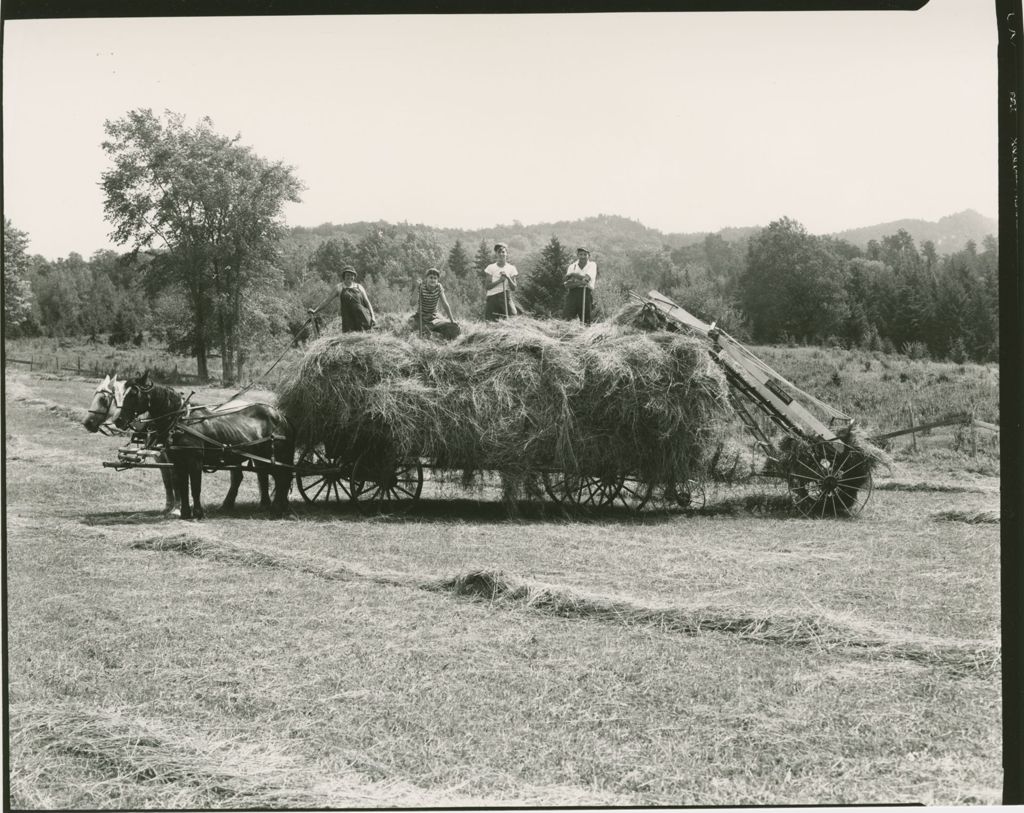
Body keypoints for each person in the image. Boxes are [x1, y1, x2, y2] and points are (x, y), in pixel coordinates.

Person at [308, 266, 376, 333]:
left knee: (365, 338)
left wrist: (373, 317)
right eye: (347, 275)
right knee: (349, 340)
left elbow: (367, 302)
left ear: (354, 276)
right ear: (344, 276)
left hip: (362, 318)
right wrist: (315, 310)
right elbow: (327, 301)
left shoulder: (359, 287)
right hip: (348, 320)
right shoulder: (339, 287)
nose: (350, 277)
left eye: (352, 275)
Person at [409, 267, 460, 339]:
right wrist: (416, 287)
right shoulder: (421, 287)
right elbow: (412, 303)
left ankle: (433, 331)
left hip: (434, 317)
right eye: (431, 277)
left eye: (435, 278)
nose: (433, 280)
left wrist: (452, 320)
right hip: (421, 317)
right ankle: (427, 331)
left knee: (454, 328)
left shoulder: (439, 287)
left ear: (437, 280)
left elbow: (445, 304)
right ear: (426, 278)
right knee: (411, 328)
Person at [480, 242, 519, 321]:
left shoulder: (511, 268)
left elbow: (514, 288)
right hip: (492, 297)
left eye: (503, 252)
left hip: (505, 296)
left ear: (506, 253)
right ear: (496, 254)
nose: (501, 254)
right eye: (499, 252)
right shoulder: (490, 268)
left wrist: (508, 277)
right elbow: (487, 287)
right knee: (490, 322)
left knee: (513, 317)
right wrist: (500, 281)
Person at [563, 246, 598, 324]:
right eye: (580, 254)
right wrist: (580, 282)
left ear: (588, 255)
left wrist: (573, 274)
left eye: (585, 254)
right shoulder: (572, 266)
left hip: (586, 293)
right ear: (577, 255)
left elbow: (586, 279)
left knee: (586, 321)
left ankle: (585, 335)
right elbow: (567, 285)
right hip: (572, 294)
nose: (582, 256)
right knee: (566, 319)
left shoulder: (592, 265)